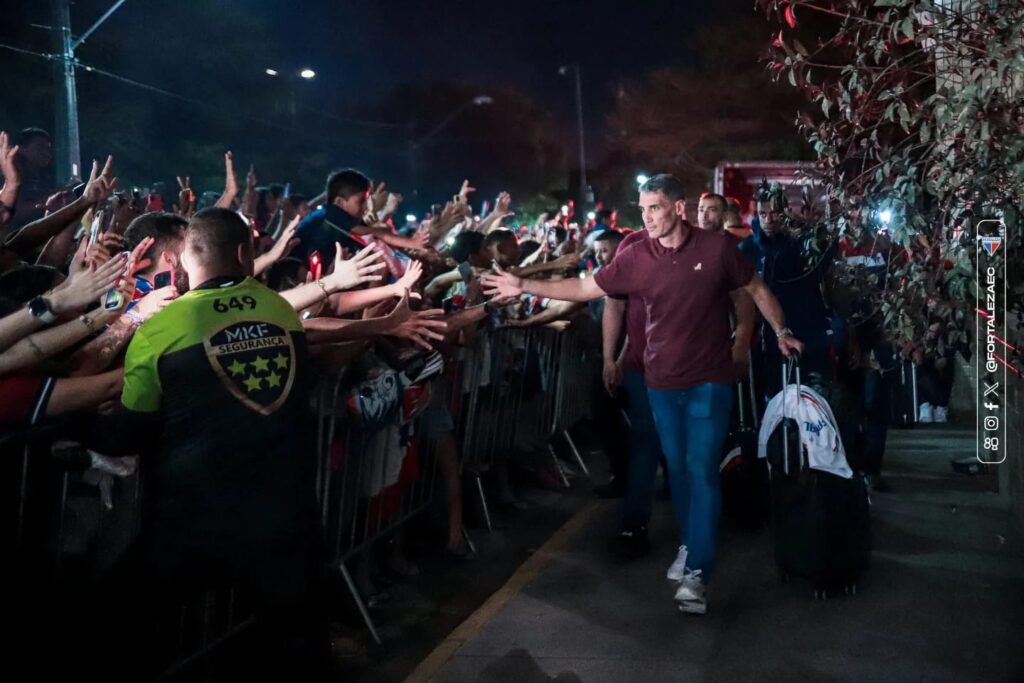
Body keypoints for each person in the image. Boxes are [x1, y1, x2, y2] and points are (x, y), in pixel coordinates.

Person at [484, 174, 803, 615]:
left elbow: (755, 289)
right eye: (643, 209)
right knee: (679, 470)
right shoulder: (635, 257)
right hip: (660, 383)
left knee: (701, 469)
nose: (647, 217)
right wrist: (523, 286)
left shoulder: (717, 250)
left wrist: (780, 331)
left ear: (678, 208)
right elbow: (584, 289)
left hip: (710, 379)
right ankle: (692, 545)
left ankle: (698, 572)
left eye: (655, 208)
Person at [80, 207, 332, 679]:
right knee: (300, 648)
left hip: (196, 521)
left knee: (112, 618)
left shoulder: (161, 328)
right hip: (285, 515)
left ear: (180, 263)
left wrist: (74, 425)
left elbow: (132, 430)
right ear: (243, 253)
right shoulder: (281, 310)